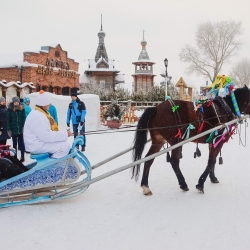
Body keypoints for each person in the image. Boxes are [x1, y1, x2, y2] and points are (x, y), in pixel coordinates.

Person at [24, 90, 72, 158]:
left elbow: (46, 133)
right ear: (44, 104)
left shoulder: (39, 113)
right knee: (64, 147)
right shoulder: (38, 116)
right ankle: (52, 166)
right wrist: (65, 133)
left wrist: (64, 132)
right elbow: (46, 136)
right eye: (48, 103)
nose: (50, 104)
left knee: (64, 145)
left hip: (37, 142)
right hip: (36, 145)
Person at [6, 96, 26, 162]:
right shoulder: (9, 110)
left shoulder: (22, 109)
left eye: (17, 102)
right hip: (13, 130)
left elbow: (24, 118)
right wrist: (9, 129)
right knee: (14, 145)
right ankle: (15, 158)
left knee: (21, 143)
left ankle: (22, 157)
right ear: (13, 102)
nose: (16, 103)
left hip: (20, 130)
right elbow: (8, 120)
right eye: (15, 102)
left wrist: (23, 126)